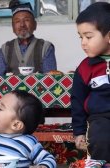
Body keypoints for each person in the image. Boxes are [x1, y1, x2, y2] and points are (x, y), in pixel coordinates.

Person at [71, 2, 110, 166]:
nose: (83, 43)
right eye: (81, 37)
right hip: (100, 119)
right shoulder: (85, 68)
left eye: (88, 36)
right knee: (100, 137)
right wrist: (79, 131)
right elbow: (77, 100)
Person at [0, 2, 57, 75]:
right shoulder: (5, 49)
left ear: (35, 25)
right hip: (11, 86)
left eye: (26, 20)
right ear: (13, 27)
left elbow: (50, 80)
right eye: (17, 21)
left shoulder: (46, 47)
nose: (22, 25)